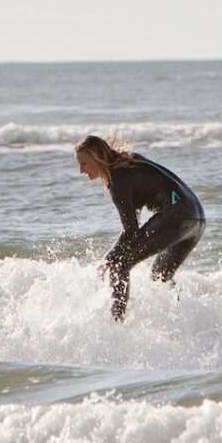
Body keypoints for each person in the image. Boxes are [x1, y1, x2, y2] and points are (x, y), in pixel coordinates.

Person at [75, 134, 205, 321]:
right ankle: (186, 318)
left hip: (177, 217)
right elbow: (133, 226)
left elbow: (131, 231)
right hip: (196, 218)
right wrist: (116, 253)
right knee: (160, 276)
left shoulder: (118, 180)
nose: (81, 170)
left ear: (97, 158)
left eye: (84, 163)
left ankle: (117, 322)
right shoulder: (128, 161)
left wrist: (110, 258)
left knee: (119, 267)